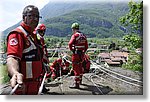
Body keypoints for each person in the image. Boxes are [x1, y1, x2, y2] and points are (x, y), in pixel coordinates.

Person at [6, 5, 44, 95]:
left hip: (35, 84)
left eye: (37, 16)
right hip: (23, 86)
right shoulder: (17, 34)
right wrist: (15, 73)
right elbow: (12, 57)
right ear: (24, 17)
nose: (35, 19)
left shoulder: (32, 35)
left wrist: (43, 65)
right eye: (31, 16)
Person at [68, 22, 88, 88]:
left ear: (73, 29)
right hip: (82, 54)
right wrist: (83, 52)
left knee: (76, 68)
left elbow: (70, 44)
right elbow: (86, 46)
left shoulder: (75, 35)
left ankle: (76, 84)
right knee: (80, 67)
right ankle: (80, 80)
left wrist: (72, 50)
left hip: (76, 54)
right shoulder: (83, 35)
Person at [34, 23, 50, 93]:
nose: (43, 33)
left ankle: (43, 87)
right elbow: (41, 50)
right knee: (41, 74)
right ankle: (41, 89)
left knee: (43, 73)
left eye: (43, 31)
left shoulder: (40, 38)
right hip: (41, 59)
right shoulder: (39, 38)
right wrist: (45, 58)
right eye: (41, 31)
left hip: (43, 58)